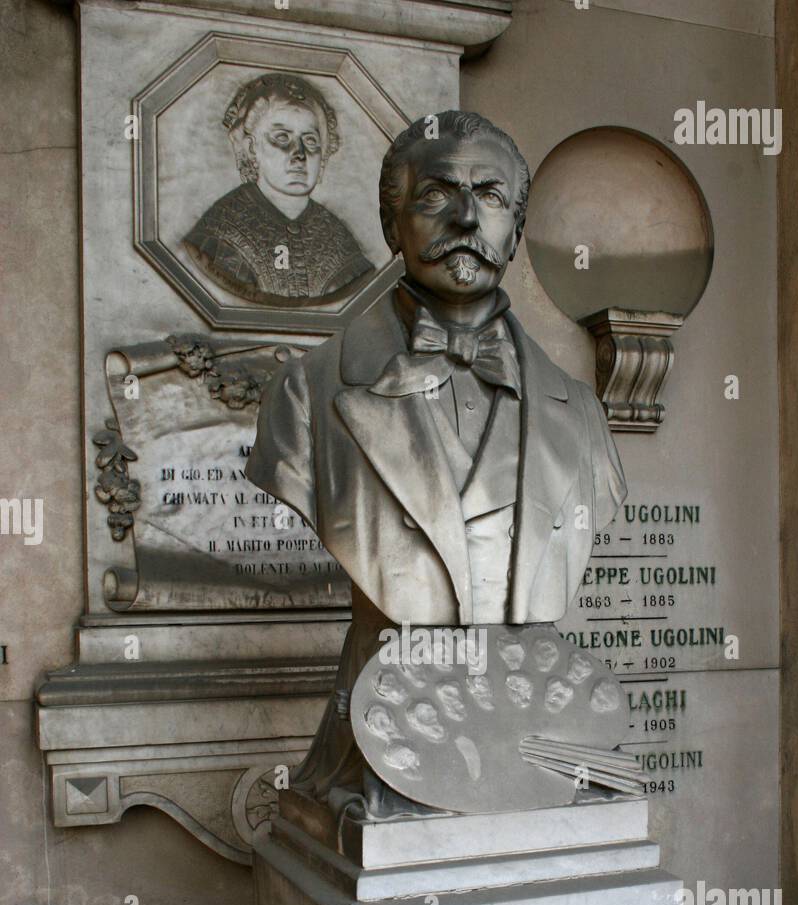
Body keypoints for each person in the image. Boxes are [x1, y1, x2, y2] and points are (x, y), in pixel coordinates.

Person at [245, 109, 627, 812]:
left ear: (515, 229)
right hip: (385, 721)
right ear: (393, 227)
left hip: (529, 727)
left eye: (489, 196)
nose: (464, 218)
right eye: (435, 196)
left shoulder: (582, 413)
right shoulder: (307, 393)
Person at [183, 72, 373, 305]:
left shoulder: (339, 239)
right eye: (282, 137)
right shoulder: (219, 233)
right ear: (252, 149)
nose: (300, 155)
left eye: (311, 141)